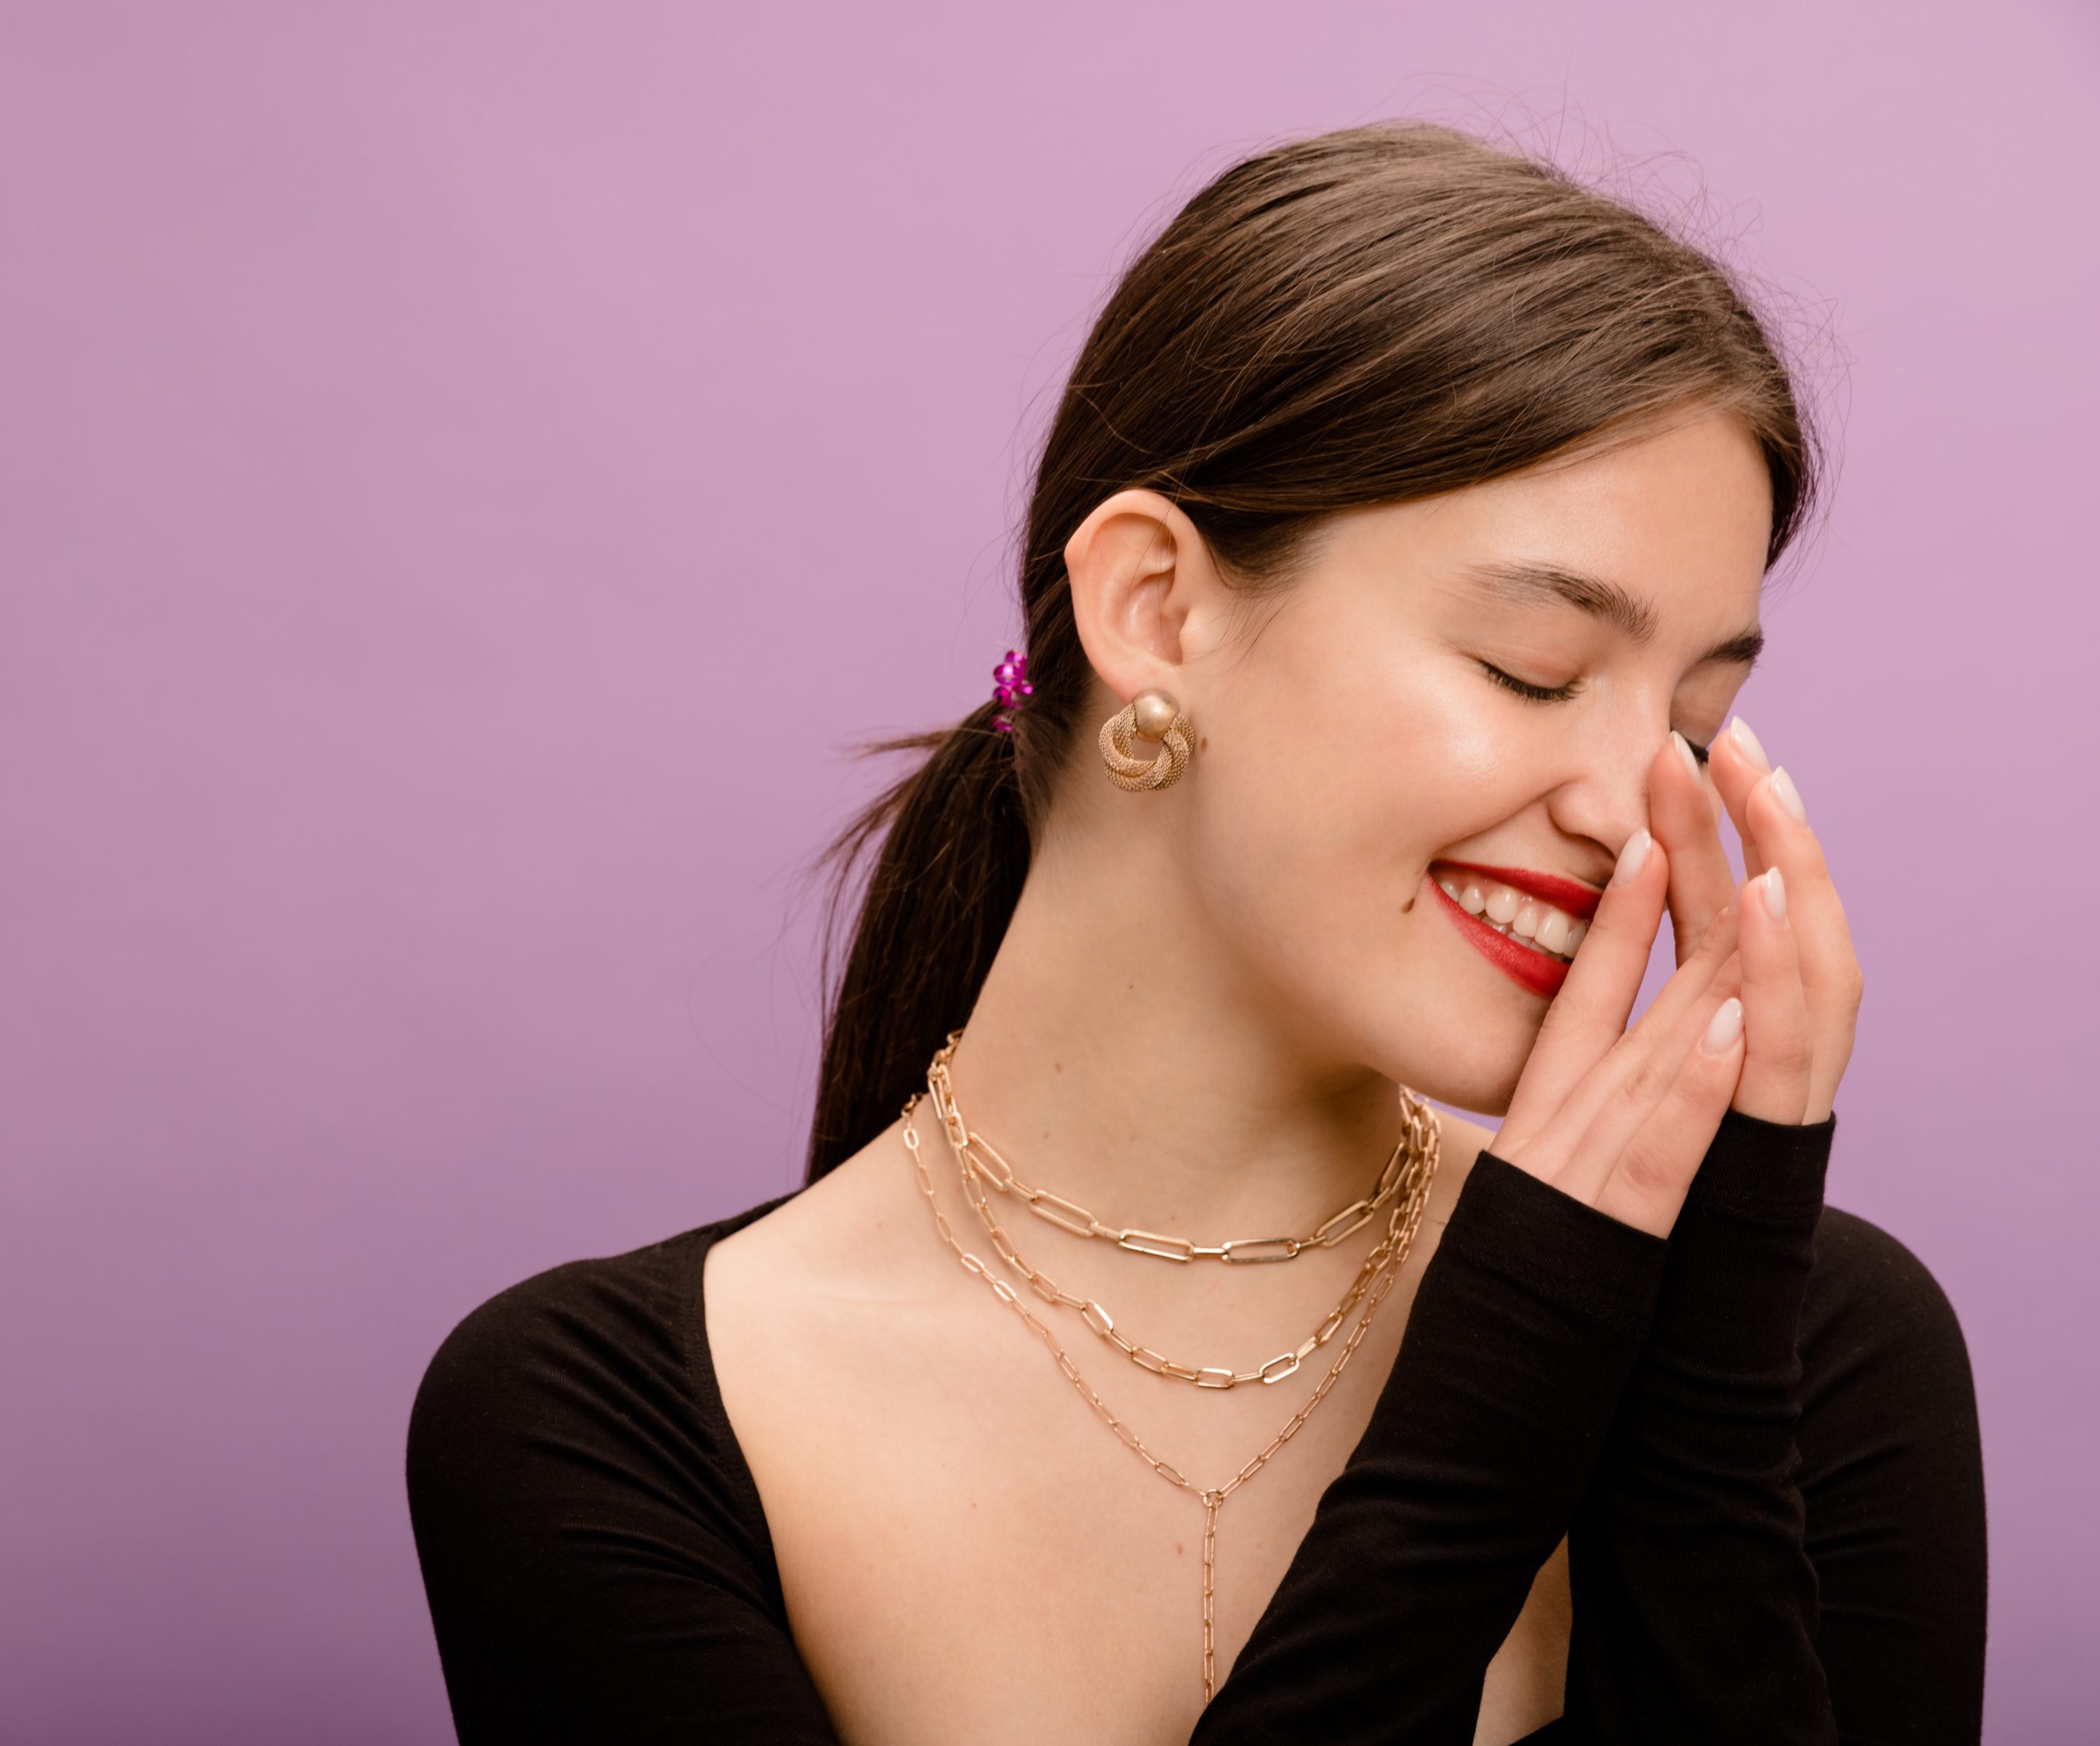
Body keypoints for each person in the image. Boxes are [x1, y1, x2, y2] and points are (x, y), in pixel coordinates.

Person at [406, 121, 1985, 1744]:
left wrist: (1699, 1350)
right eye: (1532, 664)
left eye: (1699, 714)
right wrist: (1506, 1383)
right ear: (1157, 606)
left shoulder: (1803, 1342)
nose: (1632, 799)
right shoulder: (594, 1423)